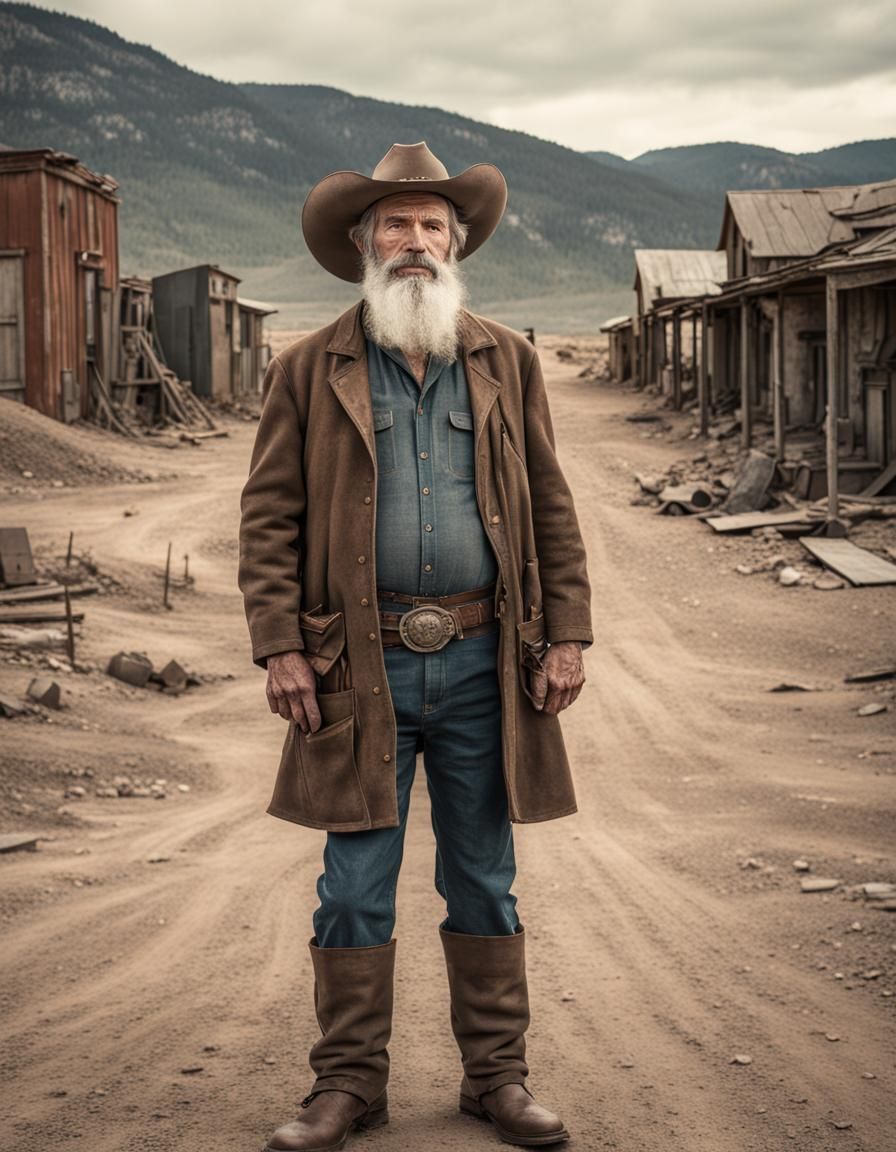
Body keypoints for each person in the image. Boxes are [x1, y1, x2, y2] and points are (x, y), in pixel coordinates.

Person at [238, 141, 592, 1151]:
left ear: (456, 244)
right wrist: (280, 645)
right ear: (362, 243)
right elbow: (267, 519)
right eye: (394, 223)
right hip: (359, 668)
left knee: (482, 876)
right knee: (353, 886)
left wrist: (566, 634)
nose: (414, 241)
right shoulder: (308, 368)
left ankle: (497, 1080)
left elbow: (552, 506)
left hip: (486, 662)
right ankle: (347, 1086)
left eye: (432, 225)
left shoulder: (507, 359)